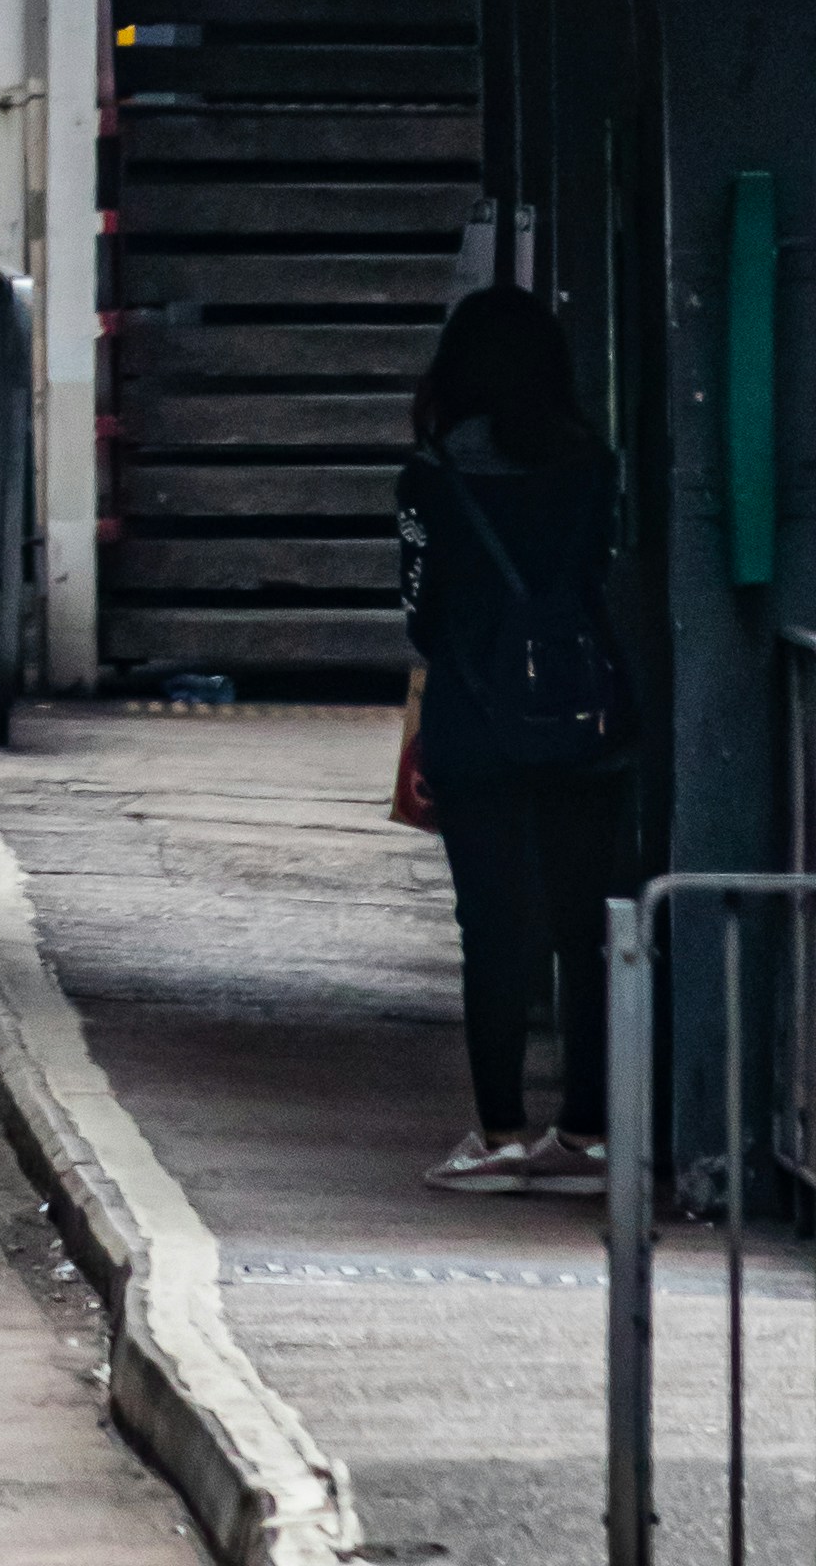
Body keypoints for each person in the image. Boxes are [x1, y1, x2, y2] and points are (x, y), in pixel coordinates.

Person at [398, 283, 633, 1197]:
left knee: (492, 930)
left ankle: (498, 1136)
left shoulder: (430, 478)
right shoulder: (596, 468)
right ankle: (585, 1135)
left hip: (475, 723)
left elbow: (418, 615)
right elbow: (602, 575)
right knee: (587, 926)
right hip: (582, 720)